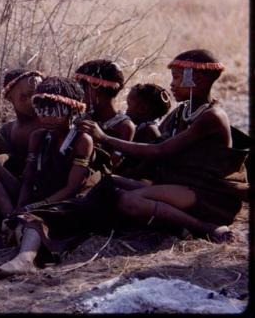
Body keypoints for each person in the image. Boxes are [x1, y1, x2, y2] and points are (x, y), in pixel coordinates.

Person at [78, 49, 249, 243]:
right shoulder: (182, 111)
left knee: (128, 200)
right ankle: (177, 224)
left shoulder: (212, 116)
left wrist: (105, 138)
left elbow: (161, 150)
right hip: (183, 185)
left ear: (197, 79)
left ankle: (205, 227)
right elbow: (157, 144)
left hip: (209, 194)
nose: (171, 84)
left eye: (176, 78)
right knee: (110, 182)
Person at [0, 76, 94, 278]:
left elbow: (72, 188)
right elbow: (29, 178)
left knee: (34, 219)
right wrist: (19, 207)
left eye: (54, 112)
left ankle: (24, 260)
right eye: (42, 111)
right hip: (40, 196)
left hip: (68, 202)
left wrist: (35, 206)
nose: (47, 117)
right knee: (19, 216)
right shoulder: (39, 136)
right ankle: (16, 229)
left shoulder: (81, 141)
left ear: (73, 110)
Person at [0, 69, 43, 217]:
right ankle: (9, 217)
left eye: (38, 95)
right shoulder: (8, 129)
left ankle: (11, 218)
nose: (32, 101)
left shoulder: (49, 123)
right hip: (21, 189)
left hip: (44, 192)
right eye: (25, 96)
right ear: (9, 97)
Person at [73, 59, 135, 170]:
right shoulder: (81, 115)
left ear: (96, 89)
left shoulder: (124, 126)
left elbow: (111, 165)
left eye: (83, 88)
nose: (80, 94)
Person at [114, 83, 172, 180]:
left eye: (129, 105)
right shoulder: (141, 126)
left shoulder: (149, 130)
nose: (126, 110)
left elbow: (150, 163)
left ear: (142, 109)